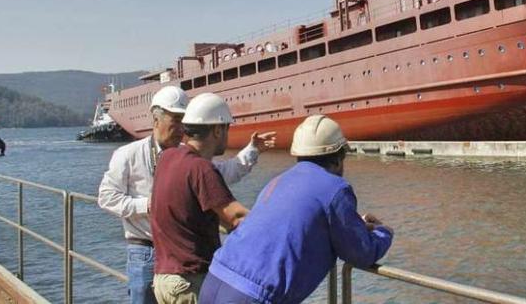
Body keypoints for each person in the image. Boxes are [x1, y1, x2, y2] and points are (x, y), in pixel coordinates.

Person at [98, 86, 275, 304]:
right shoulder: (129, 155)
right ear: (156, 119)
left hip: (175, 261)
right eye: (176, 119)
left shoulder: (180, 158)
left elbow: (219, 176)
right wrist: (147, 205)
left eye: (186, 120)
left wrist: (252, 151)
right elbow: (106, 197)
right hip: (147, 251)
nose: (183, 127)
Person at [199, 115, 394, 304]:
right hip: (253, 295)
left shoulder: (278, 181)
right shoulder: (336, 189)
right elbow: (360, 253)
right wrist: (382, 232)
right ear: (338, 159)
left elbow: (299, 223)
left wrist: (355, 222)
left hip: (216, 279)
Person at [151, 93, 253, 304]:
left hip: (163, 279)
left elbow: (190, 208)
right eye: (226, 128)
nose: (227, 134)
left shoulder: (167, 157)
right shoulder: (202, 168)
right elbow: (236, 217)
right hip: (189, 282)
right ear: (217, 129)